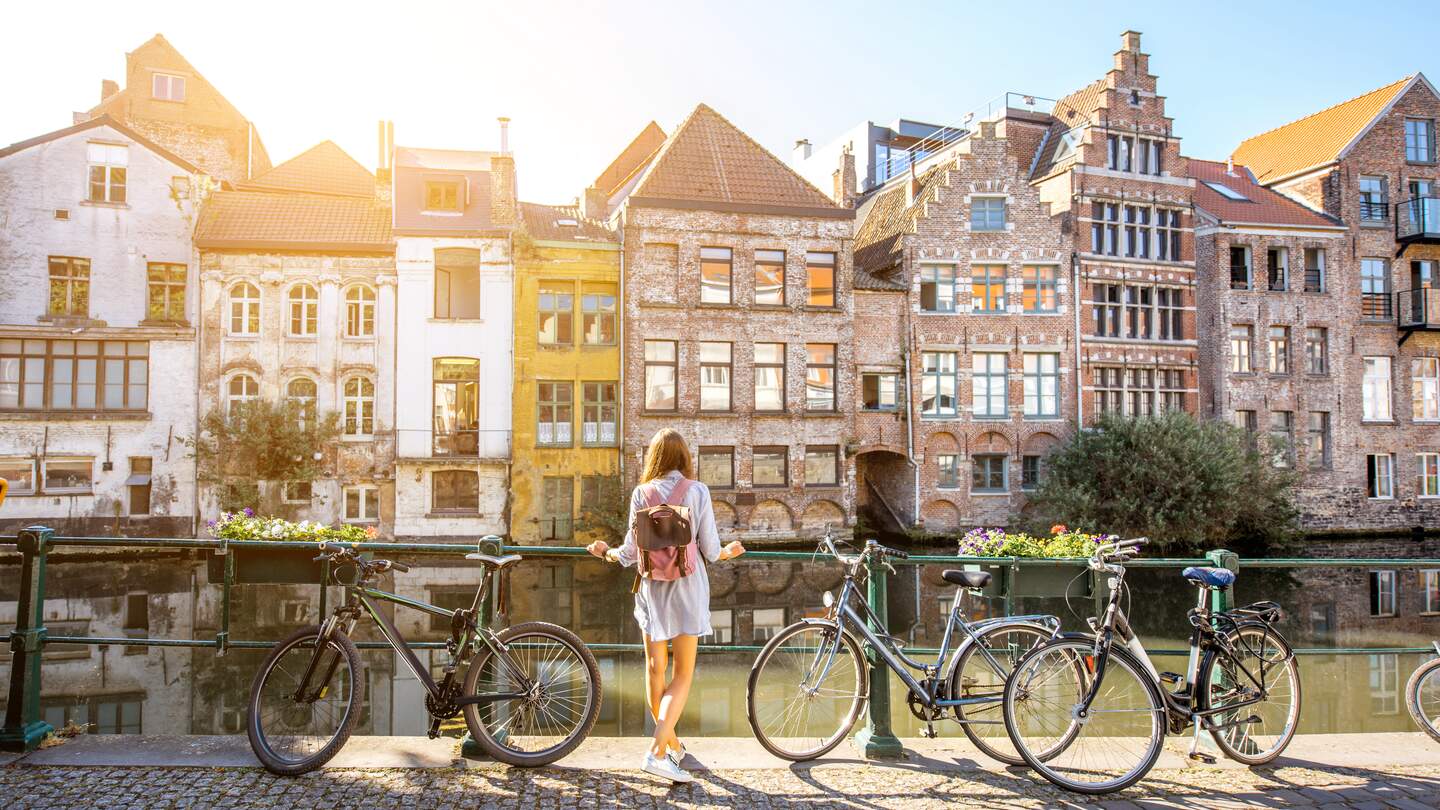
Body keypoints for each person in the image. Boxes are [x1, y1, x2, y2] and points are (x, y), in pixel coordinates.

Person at [587, 428, 745, 783]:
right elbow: (709, 550)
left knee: (655, 670)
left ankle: (670, 745)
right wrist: (728, 552)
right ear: (684, 457)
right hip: (688, 590)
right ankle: (658, 751)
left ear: (653, 458)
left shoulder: (641, 493)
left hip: (651, 591)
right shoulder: (697, 491)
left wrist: (604, 552)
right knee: (683, 674)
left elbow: (628, 554)